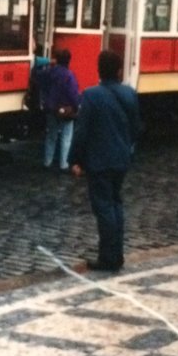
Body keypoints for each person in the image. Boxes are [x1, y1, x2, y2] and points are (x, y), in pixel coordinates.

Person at [69, 50, 141, 272]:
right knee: (116, 204)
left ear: (99, 70)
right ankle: (117, 253)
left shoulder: (91, 95)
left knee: (104, 208)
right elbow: (137, 128)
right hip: (121, 158)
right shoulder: (130, 93)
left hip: (99, 161)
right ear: (119, 70)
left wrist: (75, 159)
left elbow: (82, 131)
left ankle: (108, 257)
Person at [42, 48, 80, 172]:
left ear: (56, 59)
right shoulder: (70, 75)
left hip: (51, 108)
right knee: (66, 137)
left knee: (51, 135)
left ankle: (47, 161)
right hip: (66, 110)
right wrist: (75, 107)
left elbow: (41, 83)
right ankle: (64, 164)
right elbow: (73, 94)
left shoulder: (49, 73)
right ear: (69, 61)